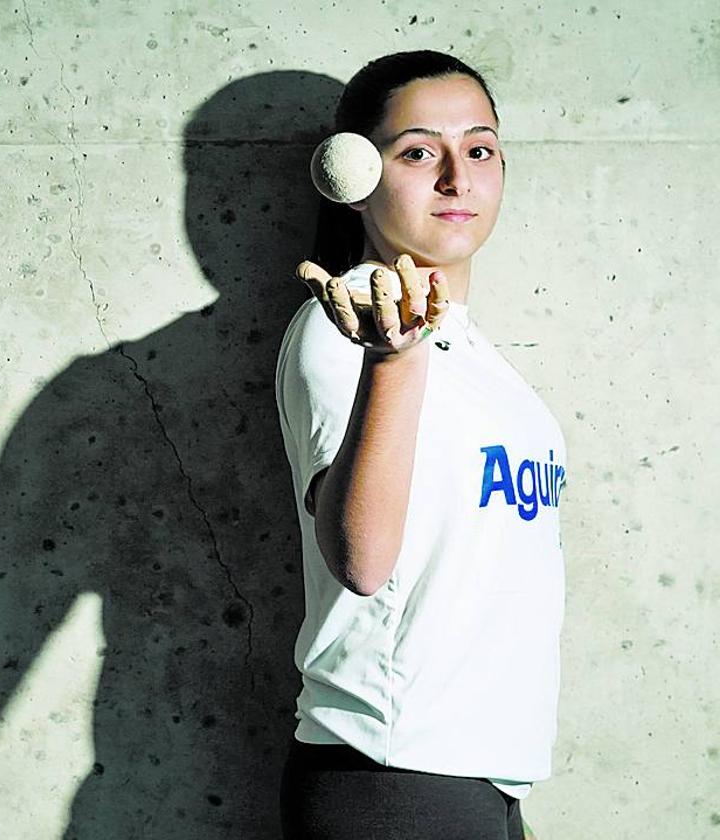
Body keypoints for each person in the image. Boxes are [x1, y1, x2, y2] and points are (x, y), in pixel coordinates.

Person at [274, 50, 567, 840]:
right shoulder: (343, 329)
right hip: (391, 773)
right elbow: (363, 560)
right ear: (361, 176)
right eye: (416, 152)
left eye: (478, 149)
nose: (455, 178)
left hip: (483, 779)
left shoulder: (490, 369)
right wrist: (393, 358)